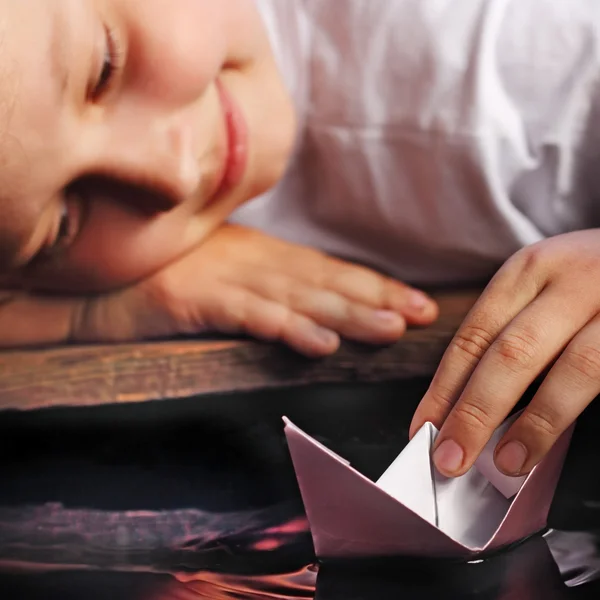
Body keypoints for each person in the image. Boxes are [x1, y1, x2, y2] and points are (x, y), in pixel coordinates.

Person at [0, 0, 598, 480]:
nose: (172, 175)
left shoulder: (510, 53)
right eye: (62, 227)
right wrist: (95, 309)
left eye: (104, 66)